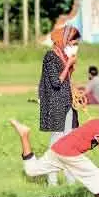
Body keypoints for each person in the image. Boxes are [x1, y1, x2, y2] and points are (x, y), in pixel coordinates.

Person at [9, 95, 99, 197]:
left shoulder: (97, 123)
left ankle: (24, 135)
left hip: (57, 148)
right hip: (69, 154)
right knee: (95, 175)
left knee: (32, 170)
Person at [38, 25, 81, 186]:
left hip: (68, 103)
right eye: (72, 41)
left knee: (70, 141)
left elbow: (68, 81)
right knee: (56, 142)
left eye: (75, 43)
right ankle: (52, 180)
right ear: (62, 40)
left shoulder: (63, 55)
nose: (74, 45)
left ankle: (71, 181)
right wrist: (69, 63)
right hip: (56, 103)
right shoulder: (50, 56)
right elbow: (56, 82)